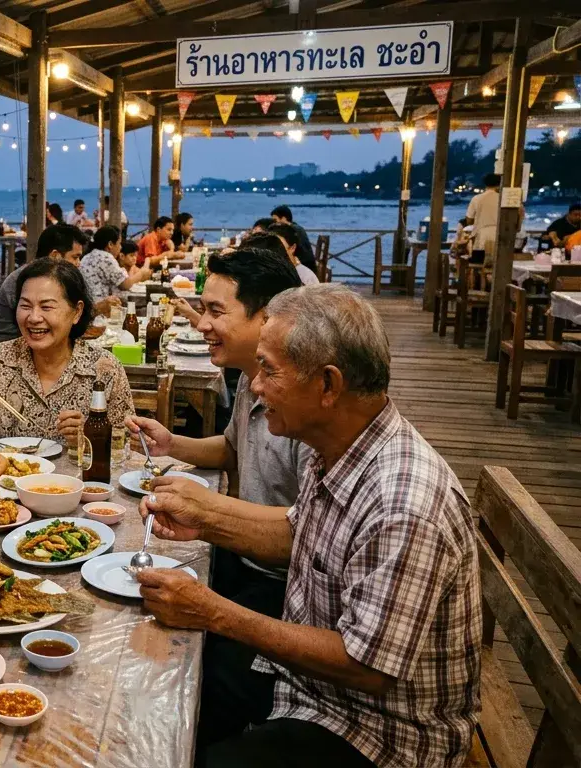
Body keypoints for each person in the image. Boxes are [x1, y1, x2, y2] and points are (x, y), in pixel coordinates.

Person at [136, 284, 481, 767]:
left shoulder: (404, 503)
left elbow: (366, 667)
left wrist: (214, 612)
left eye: (270, 372)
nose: (255, 386)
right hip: (308, 683)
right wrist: (206, 521)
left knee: (190, 719)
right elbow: (299, 535)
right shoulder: (336, 447)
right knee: (163, 683)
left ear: (328, 385)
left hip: (377, 731)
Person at [124, 249, 308, 751]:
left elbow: (305, 533)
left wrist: (207, 516)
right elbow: (231, 450)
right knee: (130, 608)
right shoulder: (254, 378)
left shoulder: (299, 400)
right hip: (240, 562)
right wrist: (171, 444)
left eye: (215, 311)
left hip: (280, 588)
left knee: (171, 679)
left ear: (268, 317)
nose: (200, 323)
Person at [0, 258, 134, 443]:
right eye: (25, 305)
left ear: (77, 312)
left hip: (76, 472)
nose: (33, 318)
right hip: (11, 471)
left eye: (46, 307)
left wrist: (90, 436)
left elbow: (128, 443)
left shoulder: (104, 368)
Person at [0, 224, 115, 357]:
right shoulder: (27, 281)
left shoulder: (53, 279)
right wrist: (97, 309)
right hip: (2, 358)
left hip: (33, 350)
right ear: (55, 256)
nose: (79, 263)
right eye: (75, 257)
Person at [80, 225, 148, 303]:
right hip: (98, 307)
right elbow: (125, 285)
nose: (120, 247)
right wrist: (142, 273)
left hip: (89, 305)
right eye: (119, 243)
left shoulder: (88, 256)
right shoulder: (105, 257)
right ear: (110, 244)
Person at [464, 173, 501, 264]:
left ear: (485, 184)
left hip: (481, 240)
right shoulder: (502, 199)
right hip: (501, 241)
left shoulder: (477, 199)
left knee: (478, 265)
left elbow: (469, 220)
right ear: (500, 183)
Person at [269, 205, 316, 271]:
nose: (274, 223)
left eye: (275, 220)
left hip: (305, 266)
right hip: (305, 263)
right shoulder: (296, 227)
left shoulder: (292, 230)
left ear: (283, 218)